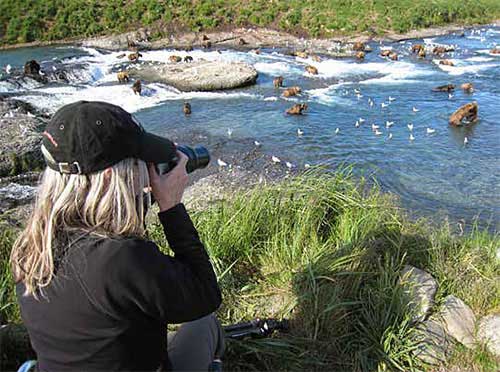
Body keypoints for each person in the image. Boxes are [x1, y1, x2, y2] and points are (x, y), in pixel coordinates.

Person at [10, 101, 224, 371]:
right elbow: (205, 294)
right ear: (112, 178)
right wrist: (171, 207)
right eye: (139, 164)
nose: (146, 171)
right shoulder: (121, 258)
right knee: (205, 325)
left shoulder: (31, 247)